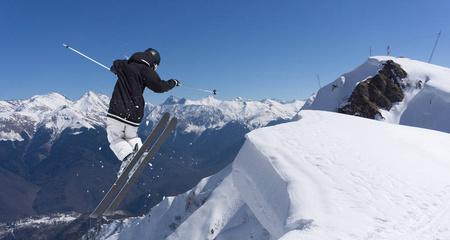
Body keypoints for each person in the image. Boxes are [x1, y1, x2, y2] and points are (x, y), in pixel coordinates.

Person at [106, 48, 179, 175]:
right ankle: (139, 153)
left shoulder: (124, 65)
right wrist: (172, 83)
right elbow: (159, 87)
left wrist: (116, 70)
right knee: (131, 136)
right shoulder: (147, 71)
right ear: (154, 63)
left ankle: (129, 158)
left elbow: (115, 64)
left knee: (114, 138)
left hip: (118, 110)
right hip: (135, 113)